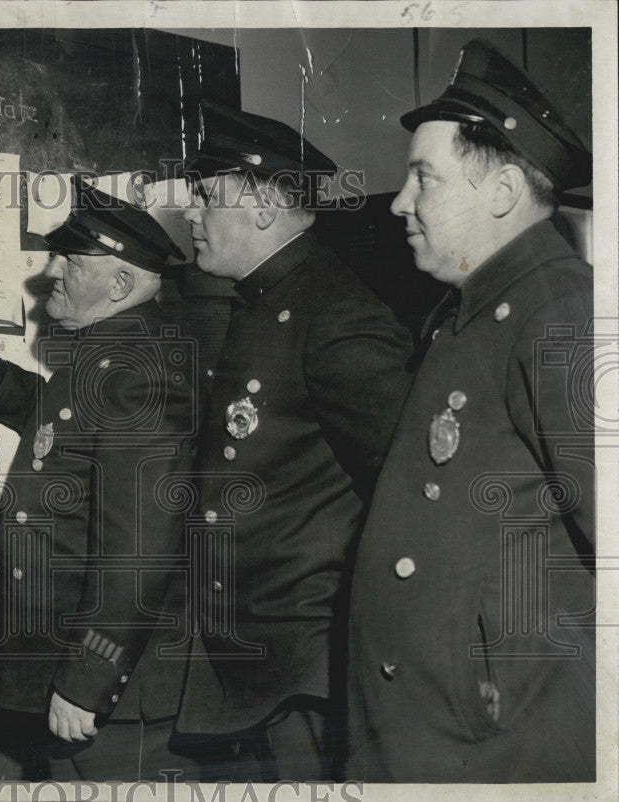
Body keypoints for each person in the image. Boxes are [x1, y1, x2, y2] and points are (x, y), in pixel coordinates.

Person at [346, 39, 595, 782]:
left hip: (494, 742)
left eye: (424, 179)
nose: (399, 203)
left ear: (502, 192)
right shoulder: (477, 308)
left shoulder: (560, 312)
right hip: (439, 726)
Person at [0, 179, 196, 781]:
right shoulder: (107, 353)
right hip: (61, 663)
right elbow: (62, 429)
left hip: (102, 693)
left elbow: (140, 550)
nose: (53, 271)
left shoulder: (138, 374)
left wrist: (90, 679)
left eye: (72, 258)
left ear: (121, 285)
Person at [174, 101, 415, 781]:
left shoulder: (336, 316)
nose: (192, 213)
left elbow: (406, 495)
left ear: (262, 206)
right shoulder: (261, 304)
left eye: (205, 197)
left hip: (305, 669)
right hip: (247, 662)